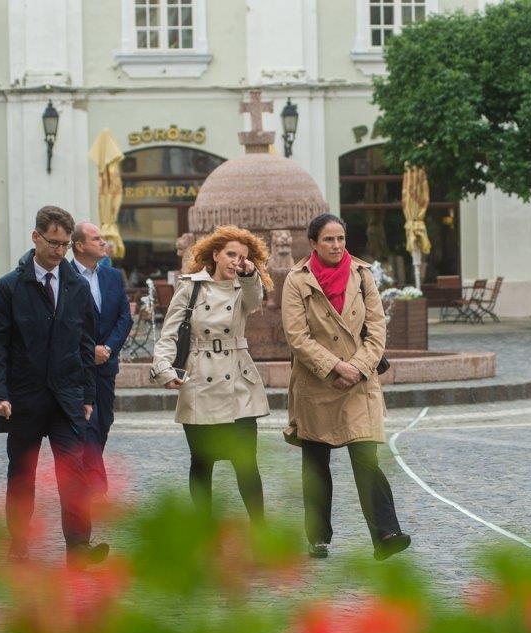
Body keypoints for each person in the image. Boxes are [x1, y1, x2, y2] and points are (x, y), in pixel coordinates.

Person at [280, 213, 411, 561]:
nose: (337, 246)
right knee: (316, 465)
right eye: (328, 240)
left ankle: (386, 534)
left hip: (359, 383)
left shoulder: (363, 275)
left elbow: (377, 329)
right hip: (316, 382)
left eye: (341, 238)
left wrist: (356, 367)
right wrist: (333, 366)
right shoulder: (297, 280)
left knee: (366, 459)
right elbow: (297, 336)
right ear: (313, 243)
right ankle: (318, 537)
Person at [0, 205, 108, 563]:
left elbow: (86, 344)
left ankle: (79, 548)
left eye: (66, 245)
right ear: (36, 237)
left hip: (66, 397)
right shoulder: (10, 286)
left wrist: (87, 395)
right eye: (53, 243)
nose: (59, 251)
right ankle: (19, 545)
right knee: (22, 475)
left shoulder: (76, 286)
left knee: (73, 473)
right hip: (22, 397)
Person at [151, 226, 271, 522]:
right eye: (231, 254)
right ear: (215, 254)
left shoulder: (245, 286)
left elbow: (256, 301)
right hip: (199, 381)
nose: (235, 261)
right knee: (202, 462)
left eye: (242, 256)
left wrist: (249, 273)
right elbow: (169, 334)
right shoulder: (190, 286)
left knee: (246, 464)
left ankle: (260, 533)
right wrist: (164, 369)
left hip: (239, 384)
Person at [70, 223, 132, 497]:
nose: (103, 242)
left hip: (106, 364)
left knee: (104, 421)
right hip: (76, 366)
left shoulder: (113, 276)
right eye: (97, 239)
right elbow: (63, 322)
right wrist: (87, 350)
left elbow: (124, 318)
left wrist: (107, 348)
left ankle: (85, 472)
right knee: (88, 424)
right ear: (80, 245)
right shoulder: (63, 275)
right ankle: (94, 486)